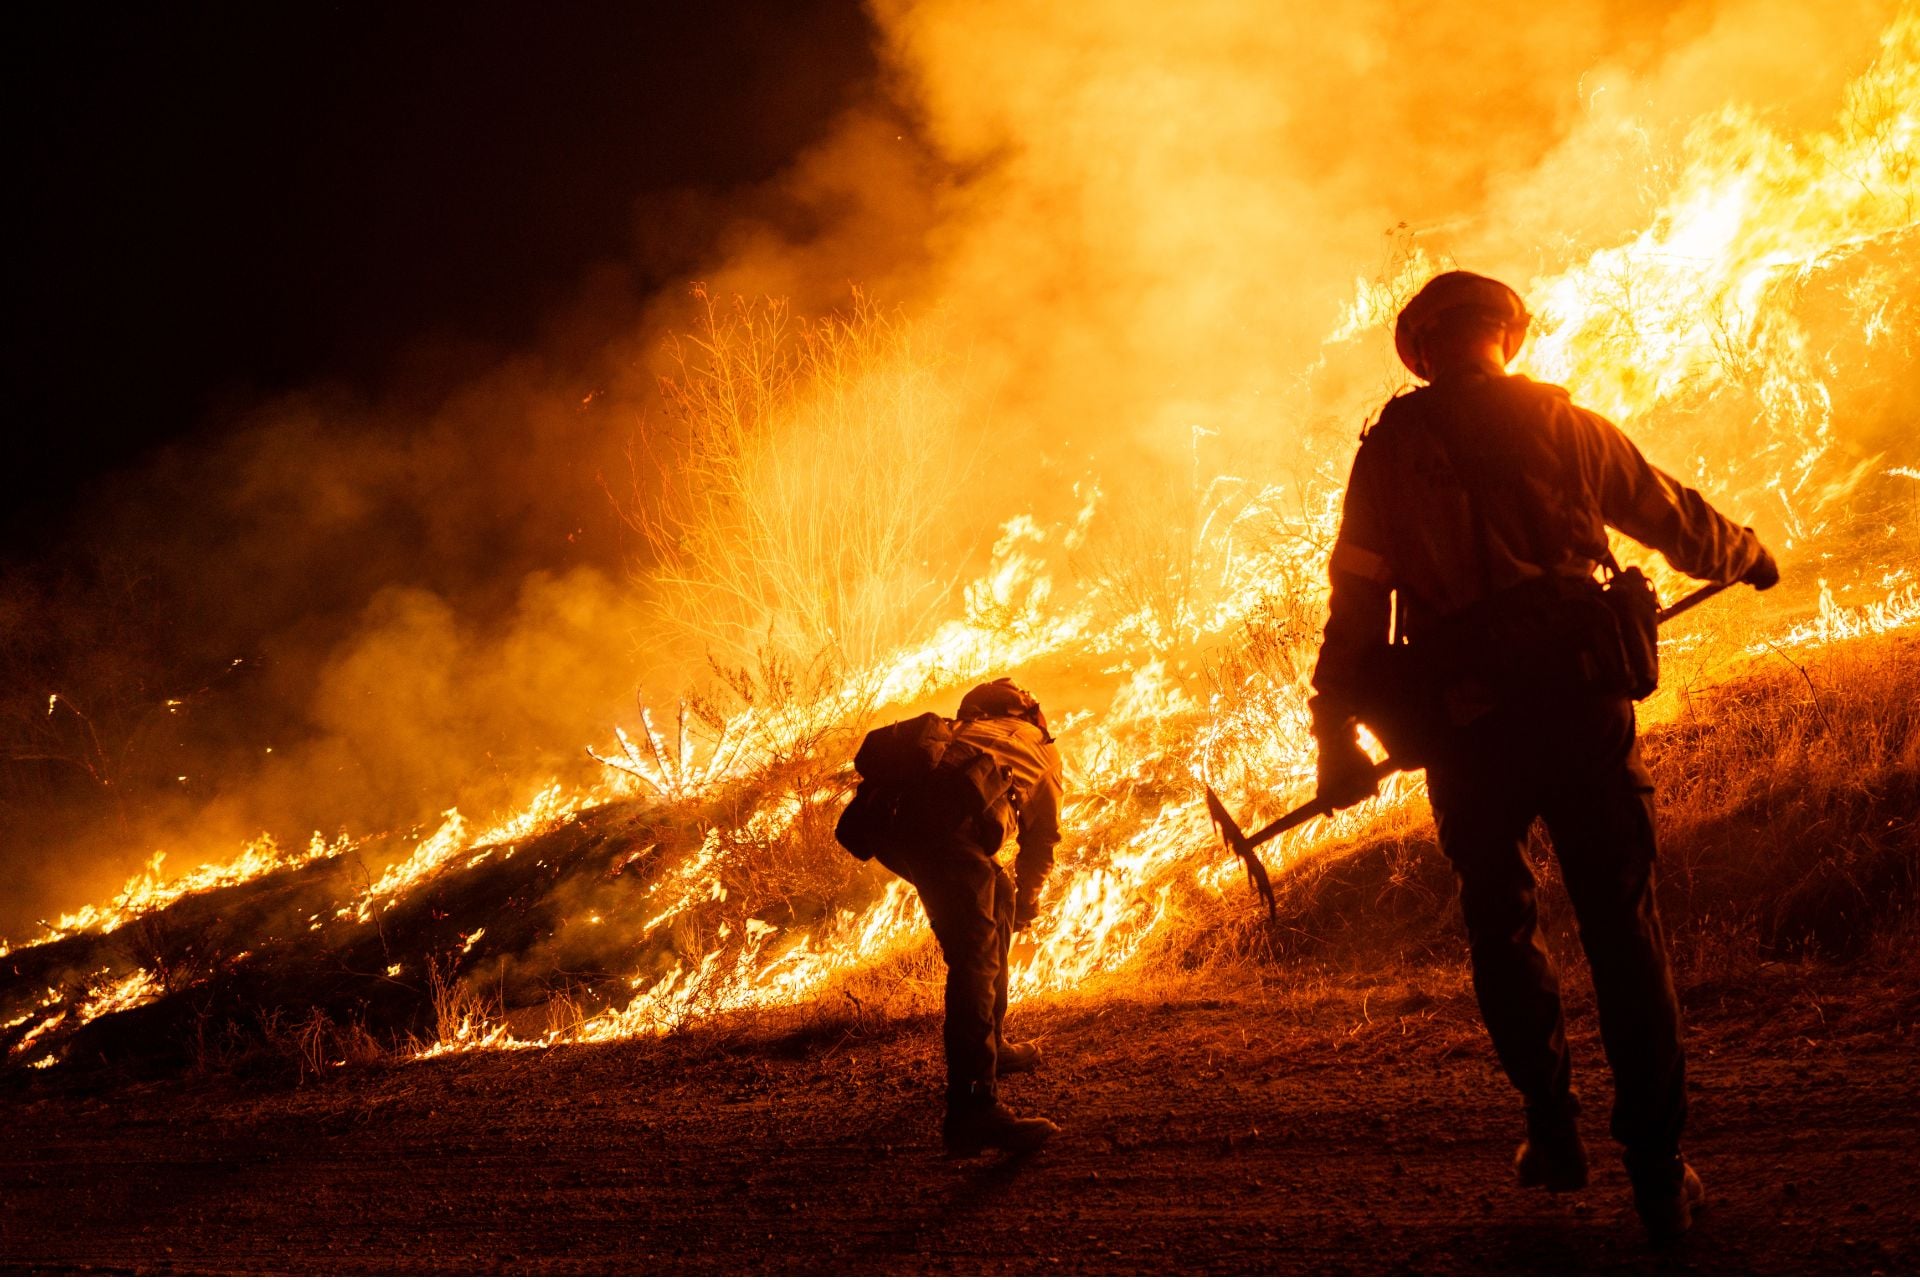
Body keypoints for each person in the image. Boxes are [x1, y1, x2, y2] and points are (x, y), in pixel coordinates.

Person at [1308, 271, 1779, 1241]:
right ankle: (1656, 1170)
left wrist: (1335, 738)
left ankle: (1552, 1131)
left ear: (1423, 351)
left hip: (1468, 725)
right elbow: (1668, 514)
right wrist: (1746, 552)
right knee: (1623, 933)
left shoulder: (1390, 451)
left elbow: (1354, 604)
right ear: (1507, 338)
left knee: (1500, 921)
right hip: (1579, 706)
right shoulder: (1566, 424)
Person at [876, 677, 1065, 1156]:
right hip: (950, 835)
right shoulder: (1035, 746)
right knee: (976, 963)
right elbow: (1040, 839)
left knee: (994, 895)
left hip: (896, 830)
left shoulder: (962, 730)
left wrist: (1013, 901)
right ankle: (973, 1110)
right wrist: (1030, 902)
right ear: (1026, 713)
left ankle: (993, 1047)